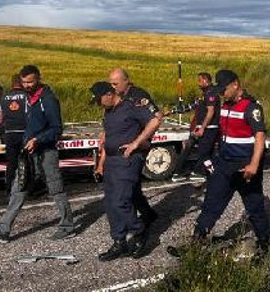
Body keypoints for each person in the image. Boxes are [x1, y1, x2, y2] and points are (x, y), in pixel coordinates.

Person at [0, 65, 75, 243]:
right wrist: (26, 140)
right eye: (24, 82)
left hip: (46, 151)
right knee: (19, 186)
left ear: (39, 78)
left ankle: (67, 226)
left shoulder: (48, 100)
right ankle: (3, 230)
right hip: (29, 151)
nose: (27, 85)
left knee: (55, 187)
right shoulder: (29, 98)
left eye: (30, 82)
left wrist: (37, 140)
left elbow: (57, 129)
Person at [193, 70, 270, 253]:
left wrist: (254, 165)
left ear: (235, 85)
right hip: (224, 163)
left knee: (254, 205)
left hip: (245, 165)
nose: (222, 93)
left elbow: (260, 137)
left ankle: (264, 242)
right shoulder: (226, 105)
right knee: (212, 202)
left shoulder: (251, 107)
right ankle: (196, 240)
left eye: (224, 89)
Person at [91, 82, 162, 261]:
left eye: (99, 101)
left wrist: (137, 143)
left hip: (127, 159)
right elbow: (108, 140)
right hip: (111, 162)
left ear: (108, 94)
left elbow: (155, 120)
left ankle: (139, 232)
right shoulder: (109, 112)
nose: (99, 105)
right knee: (110, 204)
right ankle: (119, 241)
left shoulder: (130, 107)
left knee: (121, 201)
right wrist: (100, 164)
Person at [109, 67, 162, 225]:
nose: (112, 88)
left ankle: (135, 226)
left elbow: (156, 118)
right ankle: (147, 213)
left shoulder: (138, 96)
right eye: (110, 84)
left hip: (137, 145)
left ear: (126, 81)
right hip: (124, 143)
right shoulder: (119, 97)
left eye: (115, 84)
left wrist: (139, 142)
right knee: (132, 185)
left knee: (127, 184)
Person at [175, 72, 220, 178]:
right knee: (203, 152)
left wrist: (203, 128)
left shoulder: (211, 93)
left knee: (203, 152)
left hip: (209, 128)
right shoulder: (204, 94)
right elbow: (194, 105)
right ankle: (181, 171)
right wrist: (175, 110)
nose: (198, 83)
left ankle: (206, 172)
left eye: (199, 80)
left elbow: (210, 111)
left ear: (205, 80)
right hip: (201, 127)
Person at [0, 74, 26, 194]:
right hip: (24, 132)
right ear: (22, 83)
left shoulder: (4, 98)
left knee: (11, 162)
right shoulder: (27, 96)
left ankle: (8, 187)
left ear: (12, 83)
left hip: (9, 133)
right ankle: (25, 186)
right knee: (26, 160)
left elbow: (1, 118)